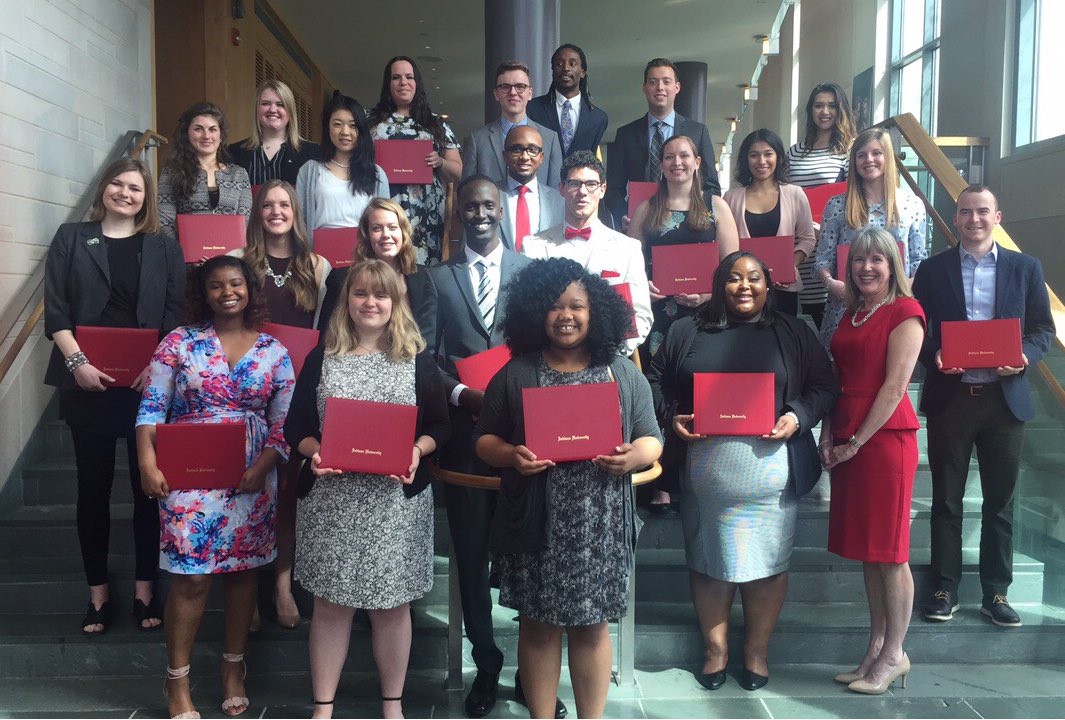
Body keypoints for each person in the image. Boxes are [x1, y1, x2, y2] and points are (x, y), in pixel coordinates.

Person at [474, 257, 663, 719]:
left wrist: (633, 457)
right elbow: (484, 441)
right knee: (537, 627)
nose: (566, 316)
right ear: (536, 312)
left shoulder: (622, 371)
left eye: (577, 306)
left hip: (600, 525)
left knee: (593, 627)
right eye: (555, 306)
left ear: (595, 312)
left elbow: (652, 438)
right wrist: (511, 455)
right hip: (537, 524)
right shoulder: (516, 372)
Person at [646, 251, 837, 691]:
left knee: (769, 564)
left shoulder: (792, 331)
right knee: (708, 560)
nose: (744, 286)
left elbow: (825, 386)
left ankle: (756, 651)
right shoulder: (685, 330)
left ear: (769, 285)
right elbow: (654, 381)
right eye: (733, 278)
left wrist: (798, 415)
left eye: (754, 278)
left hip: (772, 474)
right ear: (719, 285)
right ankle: (716, 651)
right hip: (706, 472)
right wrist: (673, 414)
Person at [284, 259, 449, 720]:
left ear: (396, 303)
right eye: (361, 294)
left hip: (394, 505)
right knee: (330, 607)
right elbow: (295, 426)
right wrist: (315, 450)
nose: (370, 303)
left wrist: (418, 450)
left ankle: (391, 705)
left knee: (391, 607)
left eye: (381, 295)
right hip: (331, 501)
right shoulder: (322, 356)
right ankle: (323, 707)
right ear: (347, 300)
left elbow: (441, 425)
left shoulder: (418, 358)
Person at [430, 176, 566, 718]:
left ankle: (537, 678)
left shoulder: (530, 275)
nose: (480, 214)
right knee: (468, 556)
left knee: (533, 559)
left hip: (528, 438)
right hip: (465, 438)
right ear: (459, 213)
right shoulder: (436, 279)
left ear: (503, 211)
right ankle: (485, 665)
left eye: (489, 205)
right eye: (471, 207)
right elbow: (425, 355)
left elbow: (546, 347)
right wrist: (462, 393)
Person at [136, 255, 294, 718]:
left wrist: (264, 465)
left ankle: (233, 668)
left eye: (236, 284)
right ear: (202, 294)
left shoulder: (273, 350)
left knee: (243, 573)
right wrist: (148, 464)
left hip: (252, 476)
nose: (227, 292)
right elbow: (151, 408)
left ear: (250, 289)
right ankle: (177, 681)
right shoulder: (178, 343)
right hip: (189, 474)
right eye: (216, 286)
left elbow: (284, 423)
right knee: (192, 577)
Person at [43, 157, 185, 635]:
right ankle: (98, 595)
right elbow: (57, 310)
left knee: (148, 488)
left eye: (136, 188)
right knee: (92, 489)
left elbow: (174, 316)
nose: (126, 194)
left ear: (146, 199)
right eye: (119, 185)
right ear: (104, 188)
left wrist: (158, 366)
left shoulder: (164, 248)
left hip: (148, 384)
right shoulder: (70, 238)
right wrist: (77, 363)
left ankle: (147, 590)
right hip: (86, 382)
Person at [912, 185, 1056, 627]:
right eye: (965, 212)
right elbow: (915, 325)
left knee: (1000, 503)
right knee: (946, 501)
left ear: (998, 216)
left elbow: (1041, 330)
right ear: (955, 219)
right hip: (952, 400)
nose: (973, 219)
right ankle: (944, 588)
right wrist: (933, 353)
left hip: (1003, 404)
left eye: (982, 212)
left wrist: (1026, 357)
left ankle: (996, 593)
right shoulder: (932, 270)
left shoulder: (1025, 268)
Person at [820, 227, 925, 695]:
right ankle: (877, 647)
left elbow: (895, 387)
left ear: (893, 265)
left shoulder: (906, 312)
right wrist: (828, 432)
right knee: (869, 552)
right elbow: (837, 377)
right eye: (860, 260)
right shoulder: (853, 311)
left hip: (884, 440)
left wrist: (856, 442)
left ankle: (895, 654)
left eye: (877, 261)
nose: (867, 267)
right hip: (847, 432)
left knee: (891, 554)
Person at [228, 178, 331, 630]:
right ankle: (244, 590)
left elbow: (327, 329)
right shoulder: (239, 262)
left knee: (288, 492)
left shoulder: (318, 265)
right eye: (267, 204)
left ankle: (283, 584)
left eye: (284, 204)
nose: (276, 211)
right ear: (257, 213)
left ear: (295, 212)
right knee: (248, 491)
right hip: (247, 390)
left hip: (297, 389)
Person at [628, 134, 739, 512]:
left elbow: (733, 266)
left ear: (697, 163)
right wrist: (645, 284)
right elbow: (629, 264)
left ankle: (703, 476)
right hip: (660, 317)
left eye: (684, 156)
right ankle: (663, 480)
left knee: (700, 392)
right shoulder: (647, 210)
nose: (677, 162)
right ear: (661, 165)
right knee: (661, 394)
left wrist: (709, 295)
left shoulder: (716, 207)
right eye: (670, 157)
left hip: (706, 316)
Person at [523, 151, 653, 357]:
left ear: (602, 189)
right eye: (574, 183)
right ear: (562, 189)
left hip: (607, 360)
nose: (582, 191)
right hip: (549, 361)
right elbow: (526, 310)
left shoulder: (627, 248)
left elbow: (640, 314)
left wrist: (608, 352)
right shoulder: (533, 246)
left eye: (591, 184)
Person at [813, 127, 926, 351]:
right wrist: (832, 284)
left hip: (894, 306)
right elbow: (823, 259)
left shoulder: (912, 204)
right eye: (861, 155)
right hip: (846, 305)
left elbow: (918, 261)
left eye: (876, 153)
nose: (869, 160)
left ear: (889, 158)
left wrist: (899, 291)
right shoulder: (837, 205)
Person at [369, 55, 463, 264]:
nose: (403, 82)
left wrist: (440, 162)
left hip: (426, 217)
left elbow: (457, 171)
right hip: (385, 211)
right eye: (396, 77)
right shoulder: (372, 123)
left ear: (417, 82)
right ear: (388, 83)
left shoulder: (436, 124)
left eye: (409, 77)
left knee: (422, 279)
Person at [605, 58, 722, 227]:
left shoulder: (697, 131)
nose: (660, 87)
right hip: (640, 222)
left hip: (685, 223)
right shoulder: (626, 134)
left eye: (666, 82)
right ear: (644, 88)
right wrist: (623, 214)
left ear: (677, 87)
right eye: (653, 82)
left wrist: (697, 215)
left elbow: (711, 185)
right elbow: (614, 188)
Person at [316, 198, 437, 354]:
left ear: (403, 233)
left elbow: (428, 343)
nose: (386, 235)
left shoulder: (422, 277)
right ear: (367, 235)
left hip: (410, 367)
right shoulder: (341, 279)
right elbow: (327, 338)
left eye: (393, 227)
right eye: (377, 228)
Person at [786, 82, 857, 328]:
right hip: (801, 245)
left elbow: (854, 199)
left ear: (841, 111)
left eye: (831, 106)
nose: (824, 111)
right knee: (806, 317)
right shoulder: (795, 152)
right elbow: (785, 194)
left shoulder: (850, 150)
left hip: (832, 244)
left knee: (834, 321)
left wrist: (824, 227)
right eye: (818, 105)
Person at [724, 128, 816, 317]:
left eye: (768, 154)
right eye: (754, 155)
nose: (762, 161)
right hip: (744, 290)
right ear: (745, 159)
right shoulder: (731, 198)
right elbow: (726, 246)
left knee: (782, 342)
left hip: (783, 287)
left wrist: (791, 264)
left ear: (778, 157)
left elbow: (808, 238)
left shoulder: (795, 194)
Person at [297, 92, 390, 235]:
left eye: (353, 126)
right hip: (320, 255)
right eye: (337, 124)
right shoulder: (309, 171)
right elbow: (299, 220)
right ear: (327, 127)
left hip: (365, 253)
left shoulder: (376, 174)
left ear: (361, 130)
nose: (345, 132)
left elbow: (385, 221)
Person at [159, 101, 253, 241]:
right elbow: (164, 222)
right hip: (186, 259)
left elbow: (244, 223)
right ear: (187, 133)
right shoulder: (172, 172)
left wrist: (229, 256)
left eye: (212, 129)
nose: (206, 136)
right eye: (198, 129)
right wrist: (182, 253)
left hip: (230, 258)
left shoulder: (239, 174)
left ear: (220, 136)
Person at [462, 60, 563, 187]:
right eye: (505, 87)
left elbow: (555, 192)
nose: (513, 92)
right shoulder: (477, 140)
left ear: (530, 93)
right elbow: (468, 191)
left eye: (520, 86)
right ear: (496, 94)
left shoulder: (550, 138)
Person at [228, 79, 321, 186]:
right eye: (265, 103)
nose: (272, 109)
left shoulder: (312, 153)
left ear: (290, 111)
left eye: (280, 104)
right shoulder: (234, 153)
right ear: (257, 109)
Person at [526, 44, 609, 158]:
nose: (565, 68)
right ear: (553, 71)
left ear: (583, 72)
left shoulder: (598, 118)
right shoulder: (532, 109)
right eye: (559, 64)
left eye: (572, 64)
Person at [498, 125, 565, 251]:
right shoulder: (490, 195)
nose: (524, 157)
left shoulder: (559, 201)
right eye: (516, 149)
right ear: (505, 155)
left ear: (541, 157)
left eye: (532, 150)